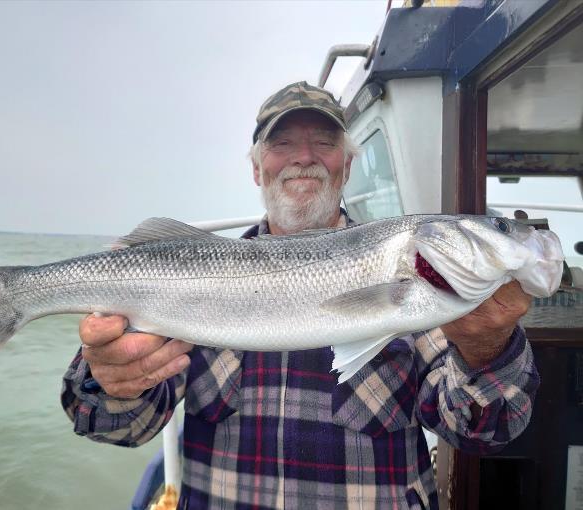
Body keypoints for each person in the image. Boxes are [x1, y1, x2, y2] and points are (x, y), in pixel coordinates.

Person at [61, 82, 537, 509]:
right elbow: (115, 426)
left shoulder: (419, 274)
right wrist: (109, 379)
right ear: (256, 168)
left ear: (347, 165)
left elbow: (484, 430)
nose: (303, 157)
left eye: (324, 143)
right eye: (282, 143)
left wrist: (485, 351)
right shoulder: (189, 275)